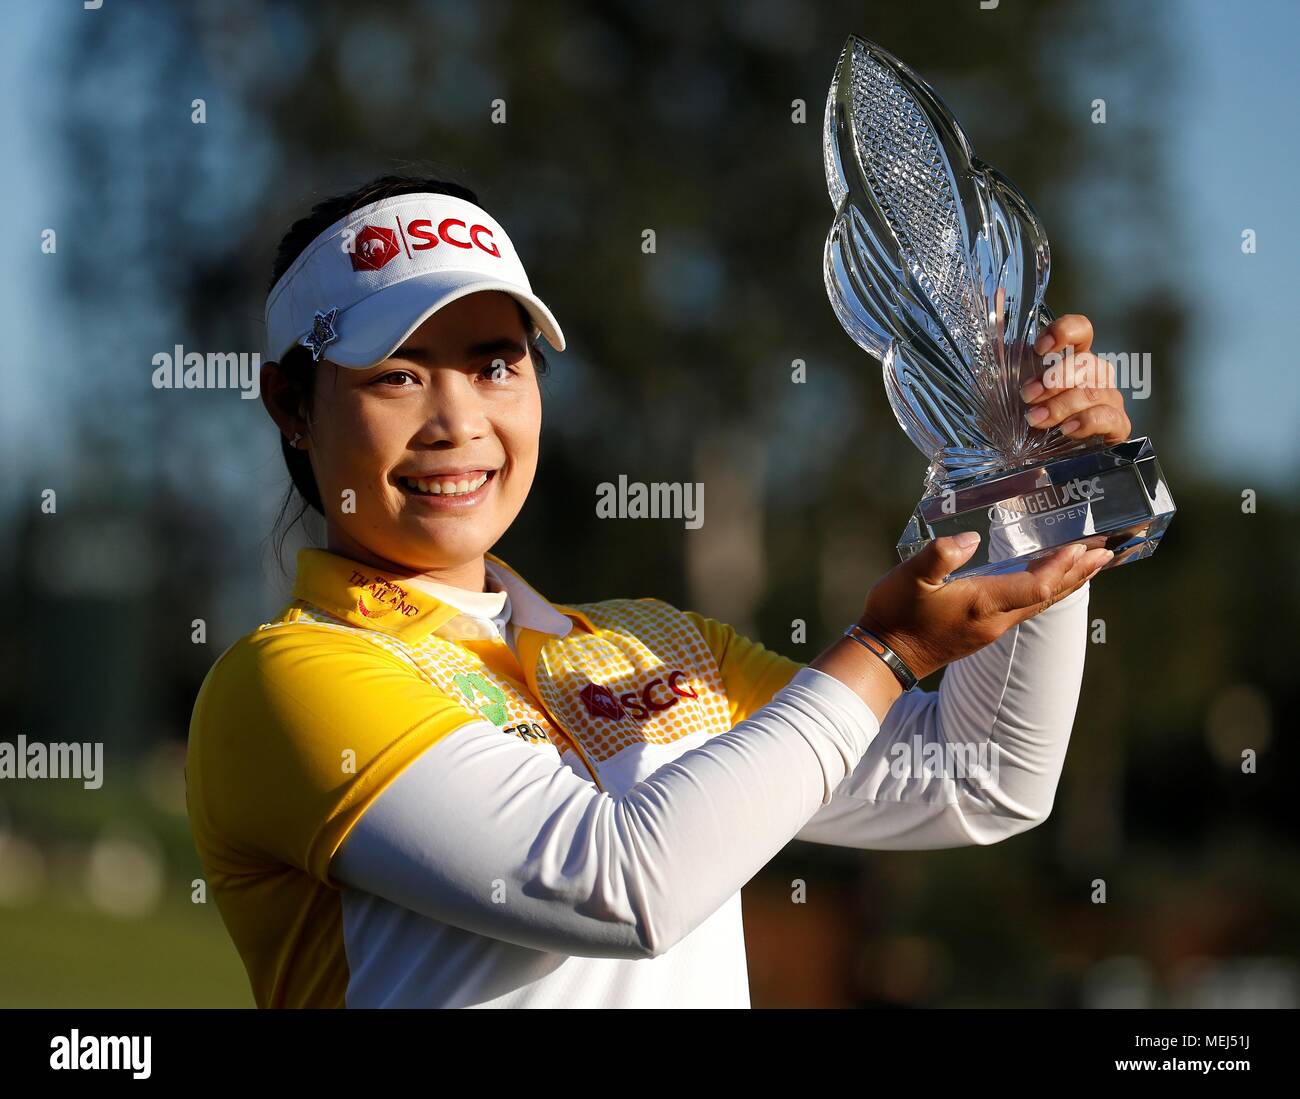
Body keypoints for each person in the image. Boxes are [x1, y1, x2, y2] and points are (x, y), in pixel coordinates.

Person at [185, 173, 1131, 1008]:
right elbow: (620, 884)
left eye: (495, 364)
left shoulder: (660, 643)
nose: (457, 421)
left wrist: (1039, 493)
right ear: (289, 406)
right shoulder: (282, 684)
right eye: (397, 374)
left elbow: (981, 777)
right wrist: (887, 652)